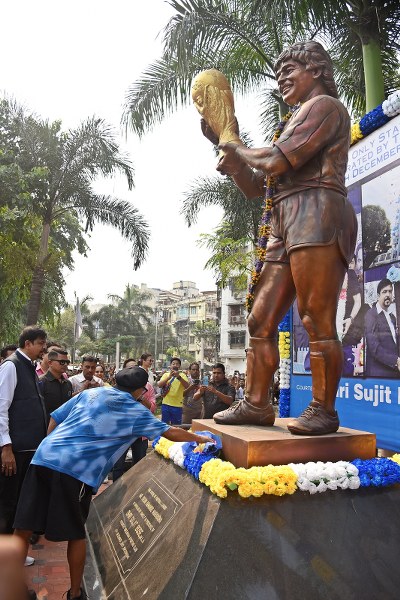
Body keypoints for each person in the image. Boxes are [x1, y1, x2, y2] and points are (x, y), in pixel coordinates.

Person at [200, 40, 357, 435]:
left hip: (318, 211)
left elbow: (274, 160)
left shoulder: (325, 108)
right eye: (278, 74)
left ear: (318, 71)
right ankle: (256, 404)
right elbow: (257, 187)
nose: (281, 79)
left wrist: (234, 142)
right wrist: (230, 155)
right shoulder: (291, 121)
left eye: (290, 70)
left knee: (315, 317)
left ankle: (324, 409)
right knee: (259, 318)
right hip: (287, 218)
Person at [13, 367, 214, 600]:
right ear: (141, 390)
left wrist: (50, 445)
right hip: (75, 470)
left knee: (24, 526)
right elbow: (170, 432)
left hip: (43, 458)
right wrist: (200, 437)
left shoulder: (92, 393)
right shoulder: (134, 410)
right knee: (76, 532)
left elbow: (56, 416)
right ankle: (75, 593)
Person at [0, 326, 47, 575]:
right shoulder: (11, 366)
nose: (43, 348)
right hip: (14, 451)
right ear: (28, 343)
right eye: (40, 343)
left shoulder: (28, 366)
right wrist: (6, 447)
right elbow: (1, 408)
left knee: (21, 503)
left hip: (30, 449)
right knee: (8, 504)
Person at [112, 356, 156, 481]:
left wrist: (141, 396)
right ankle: (115, 492)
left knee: (139, 464)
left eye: (134, 368)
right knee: (118, 465)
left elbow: (152, 408)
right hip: (121, 431)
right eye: (128, 369)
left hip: (140, 431)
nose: (131, 371)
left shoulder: (147, 387)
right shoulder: (117, 389)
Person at [365, 278, 400, 377]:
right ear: (378, 296)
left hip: (393, 373)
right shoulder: (371, 314)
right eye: (384, 292)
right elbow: (374, 347)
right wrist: (396, 361)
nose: (388, 295)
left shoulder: (392, 317)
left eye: (390, 291)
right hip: (379, 376)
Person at [39, 350, 73, 421]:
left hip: (64, 426)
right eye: (62, 362)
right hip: (46, 427)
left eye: (67, 362)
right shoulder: (41, 382)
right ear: (50, 363)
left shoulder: (68, 383)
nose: (65, 365)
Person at [158, 357, 189, 424]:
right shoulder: (166, 374)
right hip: (166, 404)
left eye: (177, 364)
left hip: (177, 405)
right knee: (164, 424)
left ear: (179, 366)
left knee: (176, 426)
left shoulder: (182, 375)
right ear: (170, 365)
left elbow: (187, 386)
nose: (175, 365)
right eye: (173, 364)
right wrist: (169, 377)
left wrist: (179, 377)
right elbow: (159, 385)